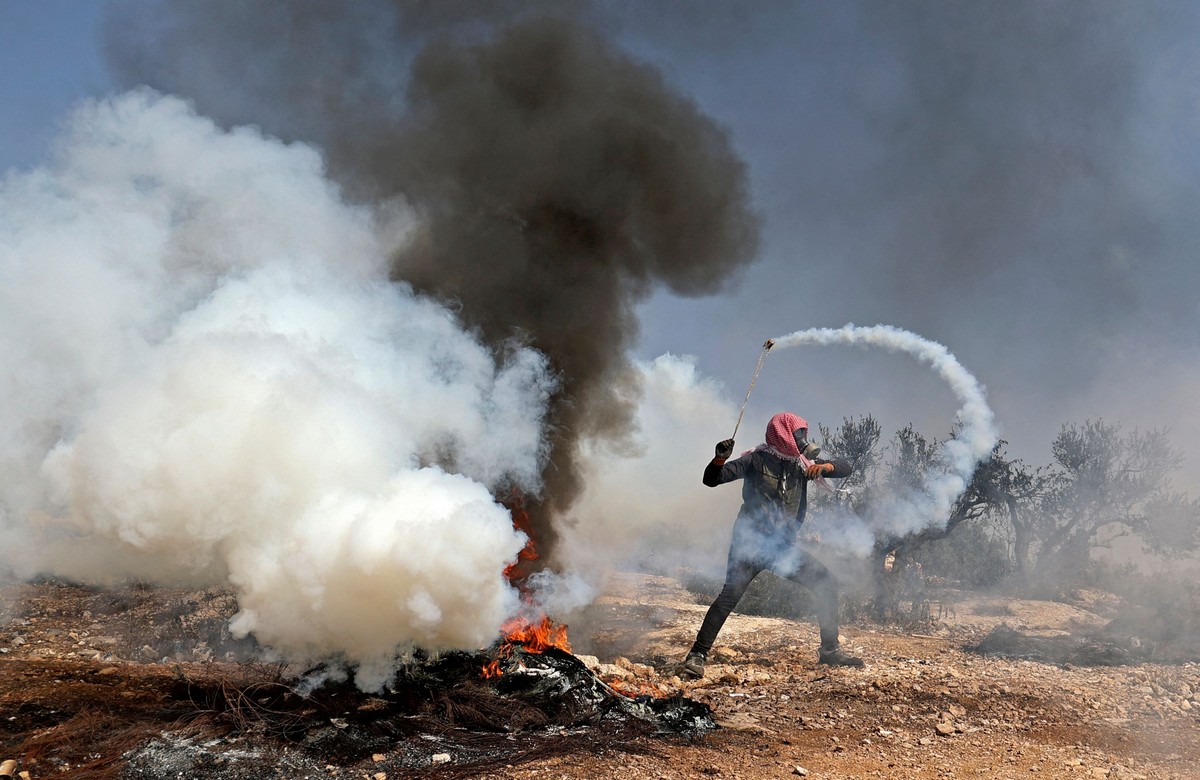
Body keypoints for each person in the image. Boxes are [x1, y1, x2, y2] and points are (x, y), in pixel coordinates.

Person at [682, 411, 862, 678]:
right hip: (750, 545)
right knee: (729, 597)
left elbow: (847, 467)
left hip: (781, 548)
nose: (803, 440)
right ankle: (697, 654)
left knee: (826, 583)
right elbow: (712, 479)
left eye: (804, 434)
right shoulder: (755, 459)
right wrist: (720, 458)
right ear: (782, 433)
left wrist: (824, 468)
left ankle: (830, 651)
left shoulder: (800, 464)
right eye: (799, 434)